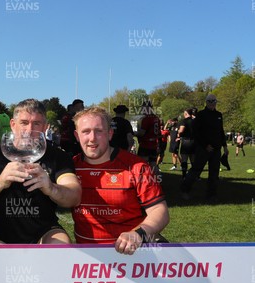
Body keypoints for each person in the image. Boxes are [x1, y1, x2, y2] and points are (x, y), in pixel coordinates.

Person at [0, 98, 81, 244]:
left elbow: (75, 196)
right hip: (1, 235)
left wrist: (51, 188)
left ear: (45, 127)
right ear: (13, 125)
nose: (29, 130)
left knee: (59, 245)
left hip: (45, 232)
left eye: (36, 124)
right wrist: (1, 181)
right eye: (24, 123)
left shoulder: (58, 156)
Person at [72, 107, 169, 254]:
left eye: (99, 131)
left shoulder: (136, 167)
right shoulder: (69, 168)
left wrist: (139, 234)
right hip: (88, 257)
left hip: (132, 254)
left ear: (110, 134)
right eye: (85, 132)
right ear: (77, 136)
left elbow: (159, 211)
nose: (92, 138)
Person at [180, 94, 229, 200]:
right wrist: (205, 145)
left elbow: (221, 131)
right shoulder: (201, 115)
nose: (212, 103)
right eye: (210, 101)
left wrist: (225, 146)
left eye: (214, 101)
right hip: (203, 148)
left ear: (216, 102)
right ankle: (185, 190)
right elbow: (196, 132)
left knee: (214, 172)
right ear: (206, 102)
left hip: (216, 148)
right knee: (196, 170)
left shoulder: (219, 115)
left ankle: (211, 194)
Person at [135, 101, 160, 168]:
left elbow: (141, 133)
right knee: (153, 165)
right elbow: (159, 133)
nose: (142, 109)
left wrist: (133, 133)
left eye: (143, 108)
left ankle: (144, 178)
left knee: (142, 164)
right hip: (154, 144)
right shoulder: (156, 118)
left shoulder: (146, 119)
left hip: (145, 144)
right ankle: (154, 178)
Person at [177, 108, 196, 179]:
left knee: (184, 159)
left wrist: (178, 132)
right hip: (194, 142)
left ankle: (184, 175)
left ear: (186, 114)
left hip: (186, 141)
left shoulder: (184, 121)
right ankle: (195, 175)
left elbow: (181, 130)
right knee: (193, 160)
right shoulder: (195, 121)